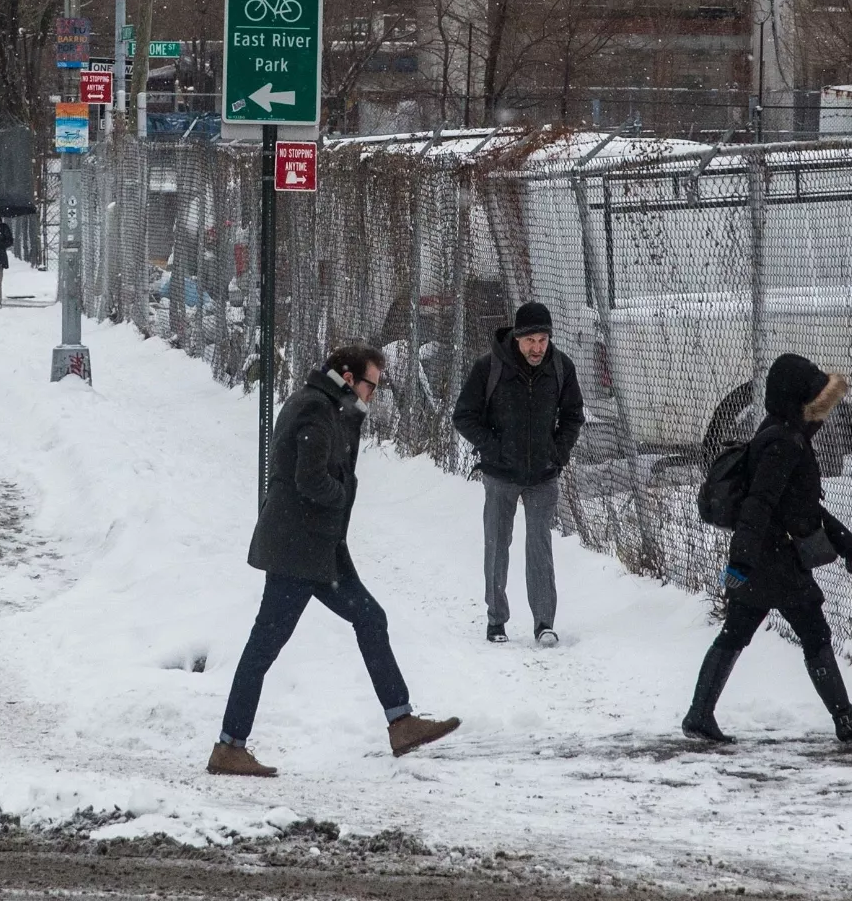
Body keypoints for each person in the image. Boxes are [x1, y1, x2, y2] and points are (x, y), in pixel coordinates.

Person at [209, 346, 462, 777]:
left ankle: (401, 723)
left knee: (370, 617)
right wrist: (342, 496)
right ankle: (229, 746)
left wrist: (352, 418)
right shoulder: (314, 408)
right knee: (263, 647)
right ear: (347, 376)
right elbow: (311, 479)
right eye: (369, 386)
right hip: (297, 551)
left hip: (317, 548)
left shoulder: (326, 405)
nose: (372, 396)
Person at [683, 353, 852, 744]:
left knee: (735, 633)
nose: (822, 411)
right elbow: (759, 504)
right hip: (775, 559)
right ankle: (844, 719)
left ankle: (699, 714)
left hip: (766, 557)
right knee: (814, 632)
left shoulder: (780, 434)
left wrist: (844, 541)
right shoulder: (783, 443)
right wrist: (740, 561)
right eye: (814, 400)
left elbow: (801, 504)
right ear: (796, 399)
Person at [452, 301, 584, 647]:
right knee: (497, 545)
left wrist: (558, 451)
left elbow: (573, 416)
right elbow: (464, 415)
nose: (537, 348)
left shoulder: (561, 367)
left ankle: (544, 623)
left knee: (540, 547)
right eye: (531, 341)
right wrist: (492, 448)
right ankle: (496, 620)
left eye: (543, 340)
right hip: (500, 475)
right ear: (517, 338)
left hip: (544, 474)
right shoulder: (490, 367)